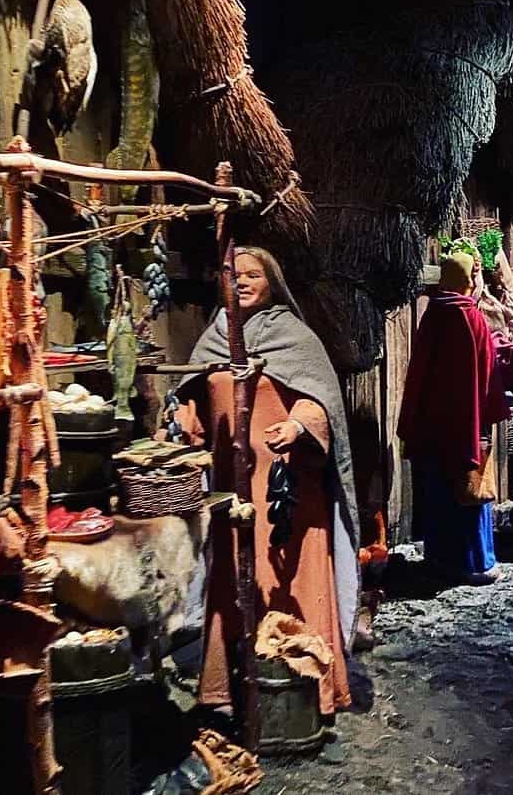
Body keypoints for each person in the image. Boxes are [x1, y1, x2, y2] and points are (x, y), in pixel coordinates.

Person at [172, 247, 360, 729]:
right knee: (234, 580)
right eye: (235, 276)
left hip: (285, 493)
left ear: (272, 282)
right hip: (232, 493)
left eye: (253, 275)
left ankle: (306, 685)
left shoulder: (294, 337)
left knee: (287, 579)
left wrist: (298, 426)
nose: (243, 284)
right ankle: (228, 688)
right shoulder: (217, 335)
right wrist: (180, 422)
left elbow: (322, 402)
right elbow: (196, 396)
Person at [398, 252, 510, 585]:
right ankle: (476, 563)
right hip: (466, 423)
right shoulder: (471, 316)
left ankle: (440, 557)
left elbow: (420, 372)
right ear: (466, 280)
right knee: (468, 488)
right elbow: (485, 371)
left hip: (435, 425)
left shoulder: (432, 315)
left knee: (439, 488)